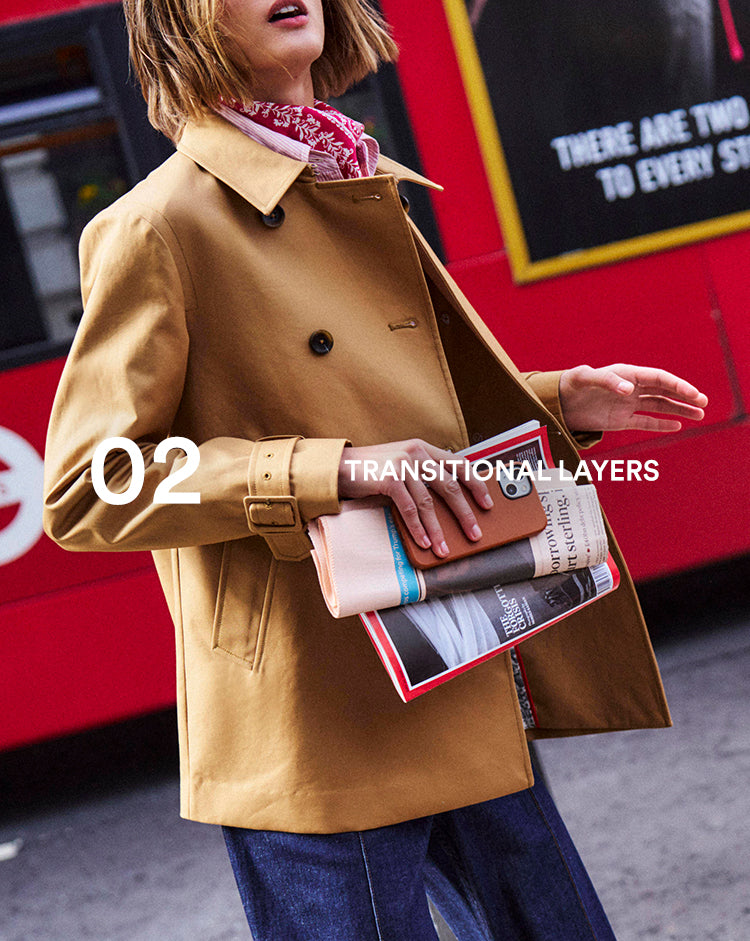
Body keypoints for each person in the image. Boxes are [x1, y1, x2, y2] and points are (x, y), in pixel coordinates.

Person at [42, 1, 708, 937]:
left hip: (452, 650)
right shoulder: (160, 226)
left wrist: (559, 399)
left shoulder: (349, 172)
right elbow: (89, 485)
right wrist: (328, 472)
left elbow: (392, 415)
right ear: (179, 18)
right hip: (320, 713)